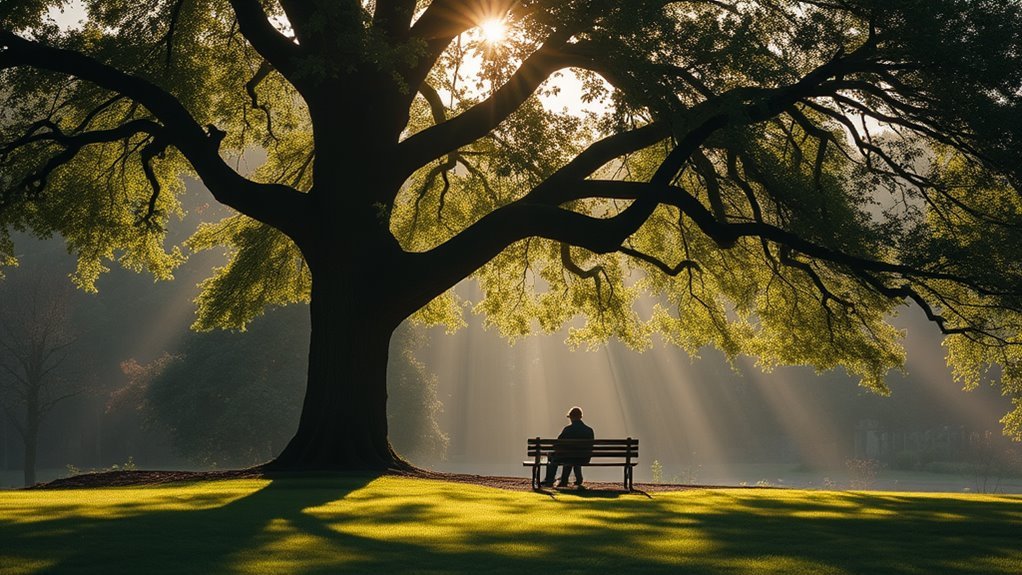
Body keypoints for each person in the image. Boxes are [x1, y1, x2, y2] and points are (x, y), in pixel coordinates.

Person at [540, 406, 595, 488]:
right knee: (574, 457)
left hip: (568, 457)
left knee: (553, 457)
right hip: (584, 458)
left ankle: (549, 480)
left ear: (571, 417)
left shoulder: (568, 430)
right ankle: (575, 480)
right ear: (580, 417)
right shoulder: (589, 430)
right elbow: (590, 446)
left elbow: (557, 444)